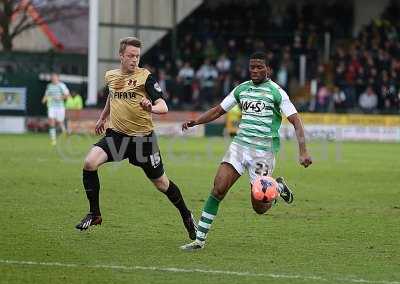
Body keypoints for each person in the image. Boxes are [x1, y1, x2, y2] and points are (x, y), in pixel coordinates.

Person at [180, 52, 313, 251]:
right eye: (252, 67)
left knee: (258, 207)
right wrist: (196, 121)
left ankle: (277, 188)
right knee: (218, 189)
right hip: (239, 147)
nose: (255, 71)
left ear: (269, 69)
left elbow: (296, 120)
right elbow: (218, 110)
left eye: (260, 67)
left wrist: (303, 151)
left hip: (263, 153)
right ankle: (199, 241)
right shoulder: (242, 89)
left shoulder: (277, 92)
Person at [75, 37, 197, 241]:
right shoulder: (111, 76)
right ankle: (95, 214)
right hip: (117, 137)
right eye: (130, 56)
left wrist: (151, 107)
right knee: (89, 163)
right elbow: (112, 96)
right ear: (121, 56)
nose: (134, 60)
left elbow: (163, 106)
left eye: (137, 56)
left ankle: (187, 215)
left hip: (143, 141)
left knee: (161, 183)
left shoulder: (145, 77)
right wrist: (102, 118)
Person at [42, 73, 70, 145]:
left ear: (58, 78)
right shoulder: (49, 86)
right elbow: (47, 94)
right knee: (51, 121)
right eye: (52, 77)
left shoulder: (62, 85)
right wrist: (44, 99)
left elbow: (67, 96)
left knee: (60, 122)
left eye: (54, 77)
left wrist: (60, 98)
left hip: (60, 107)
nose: (53, 78)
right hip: (52, 106)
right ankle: (53, 140)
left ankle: (66, 136)